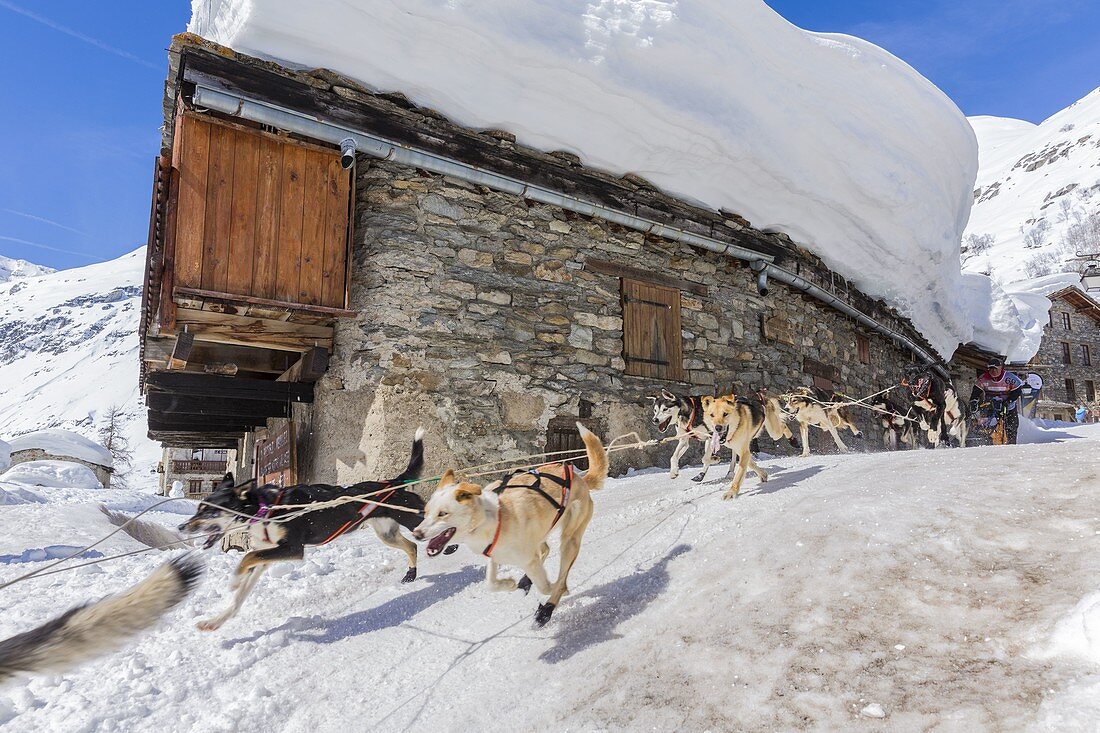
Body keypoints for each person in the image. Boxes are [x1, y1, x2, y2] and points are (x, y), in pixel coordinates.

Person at [970, 358, 1024, 444]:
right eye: (990, 368)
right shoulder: (983, 378)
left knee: (1011, 427)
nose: (993, 371)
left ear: (1001, 368)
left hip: (1008, 407)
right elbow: (976, 390)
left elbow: (1017, 391)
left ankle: (1011, 444)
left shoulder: (1009, 378)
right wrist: (973, 400)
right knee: (987, 426)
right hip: (990, 406)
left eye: (995, 368)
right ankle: (988, 442)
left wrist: (1009, 401)